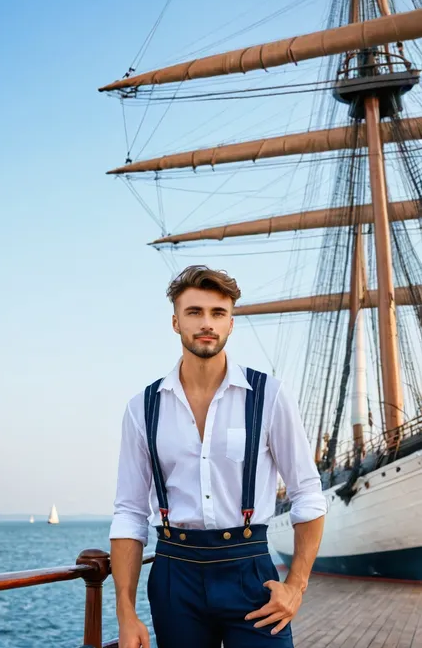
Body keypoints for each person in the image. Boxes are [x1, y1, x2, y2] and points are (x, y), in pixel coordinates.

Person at [110, 265, 327, 648]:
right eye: (195, 312)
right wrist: (126, 613)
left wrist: (296, 586)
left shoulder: (270, 396)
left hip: (250, 572)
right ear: (176, 322)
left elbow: (307, 493)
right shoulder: (142, 408)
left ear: (231, 322)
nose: (206, 323)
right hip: (175, 577)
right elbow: (129, 512)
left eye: (218, 313)